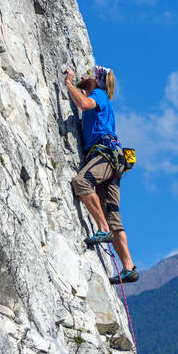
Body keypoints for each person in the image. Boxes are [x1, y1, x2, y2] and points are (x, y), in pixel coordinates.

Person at [64, 64, 138, 284]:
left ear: (96, 80)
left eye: (88, 75)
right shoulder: (103, 98)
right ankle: (129, 267)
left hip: (105, 155)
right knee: (112, 212)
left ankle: (102, 229)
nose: (83, 76)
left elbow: (84, 103)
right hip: (115, 160)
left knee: (82, 182)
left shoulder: (99, 94)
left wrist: (69, 83)